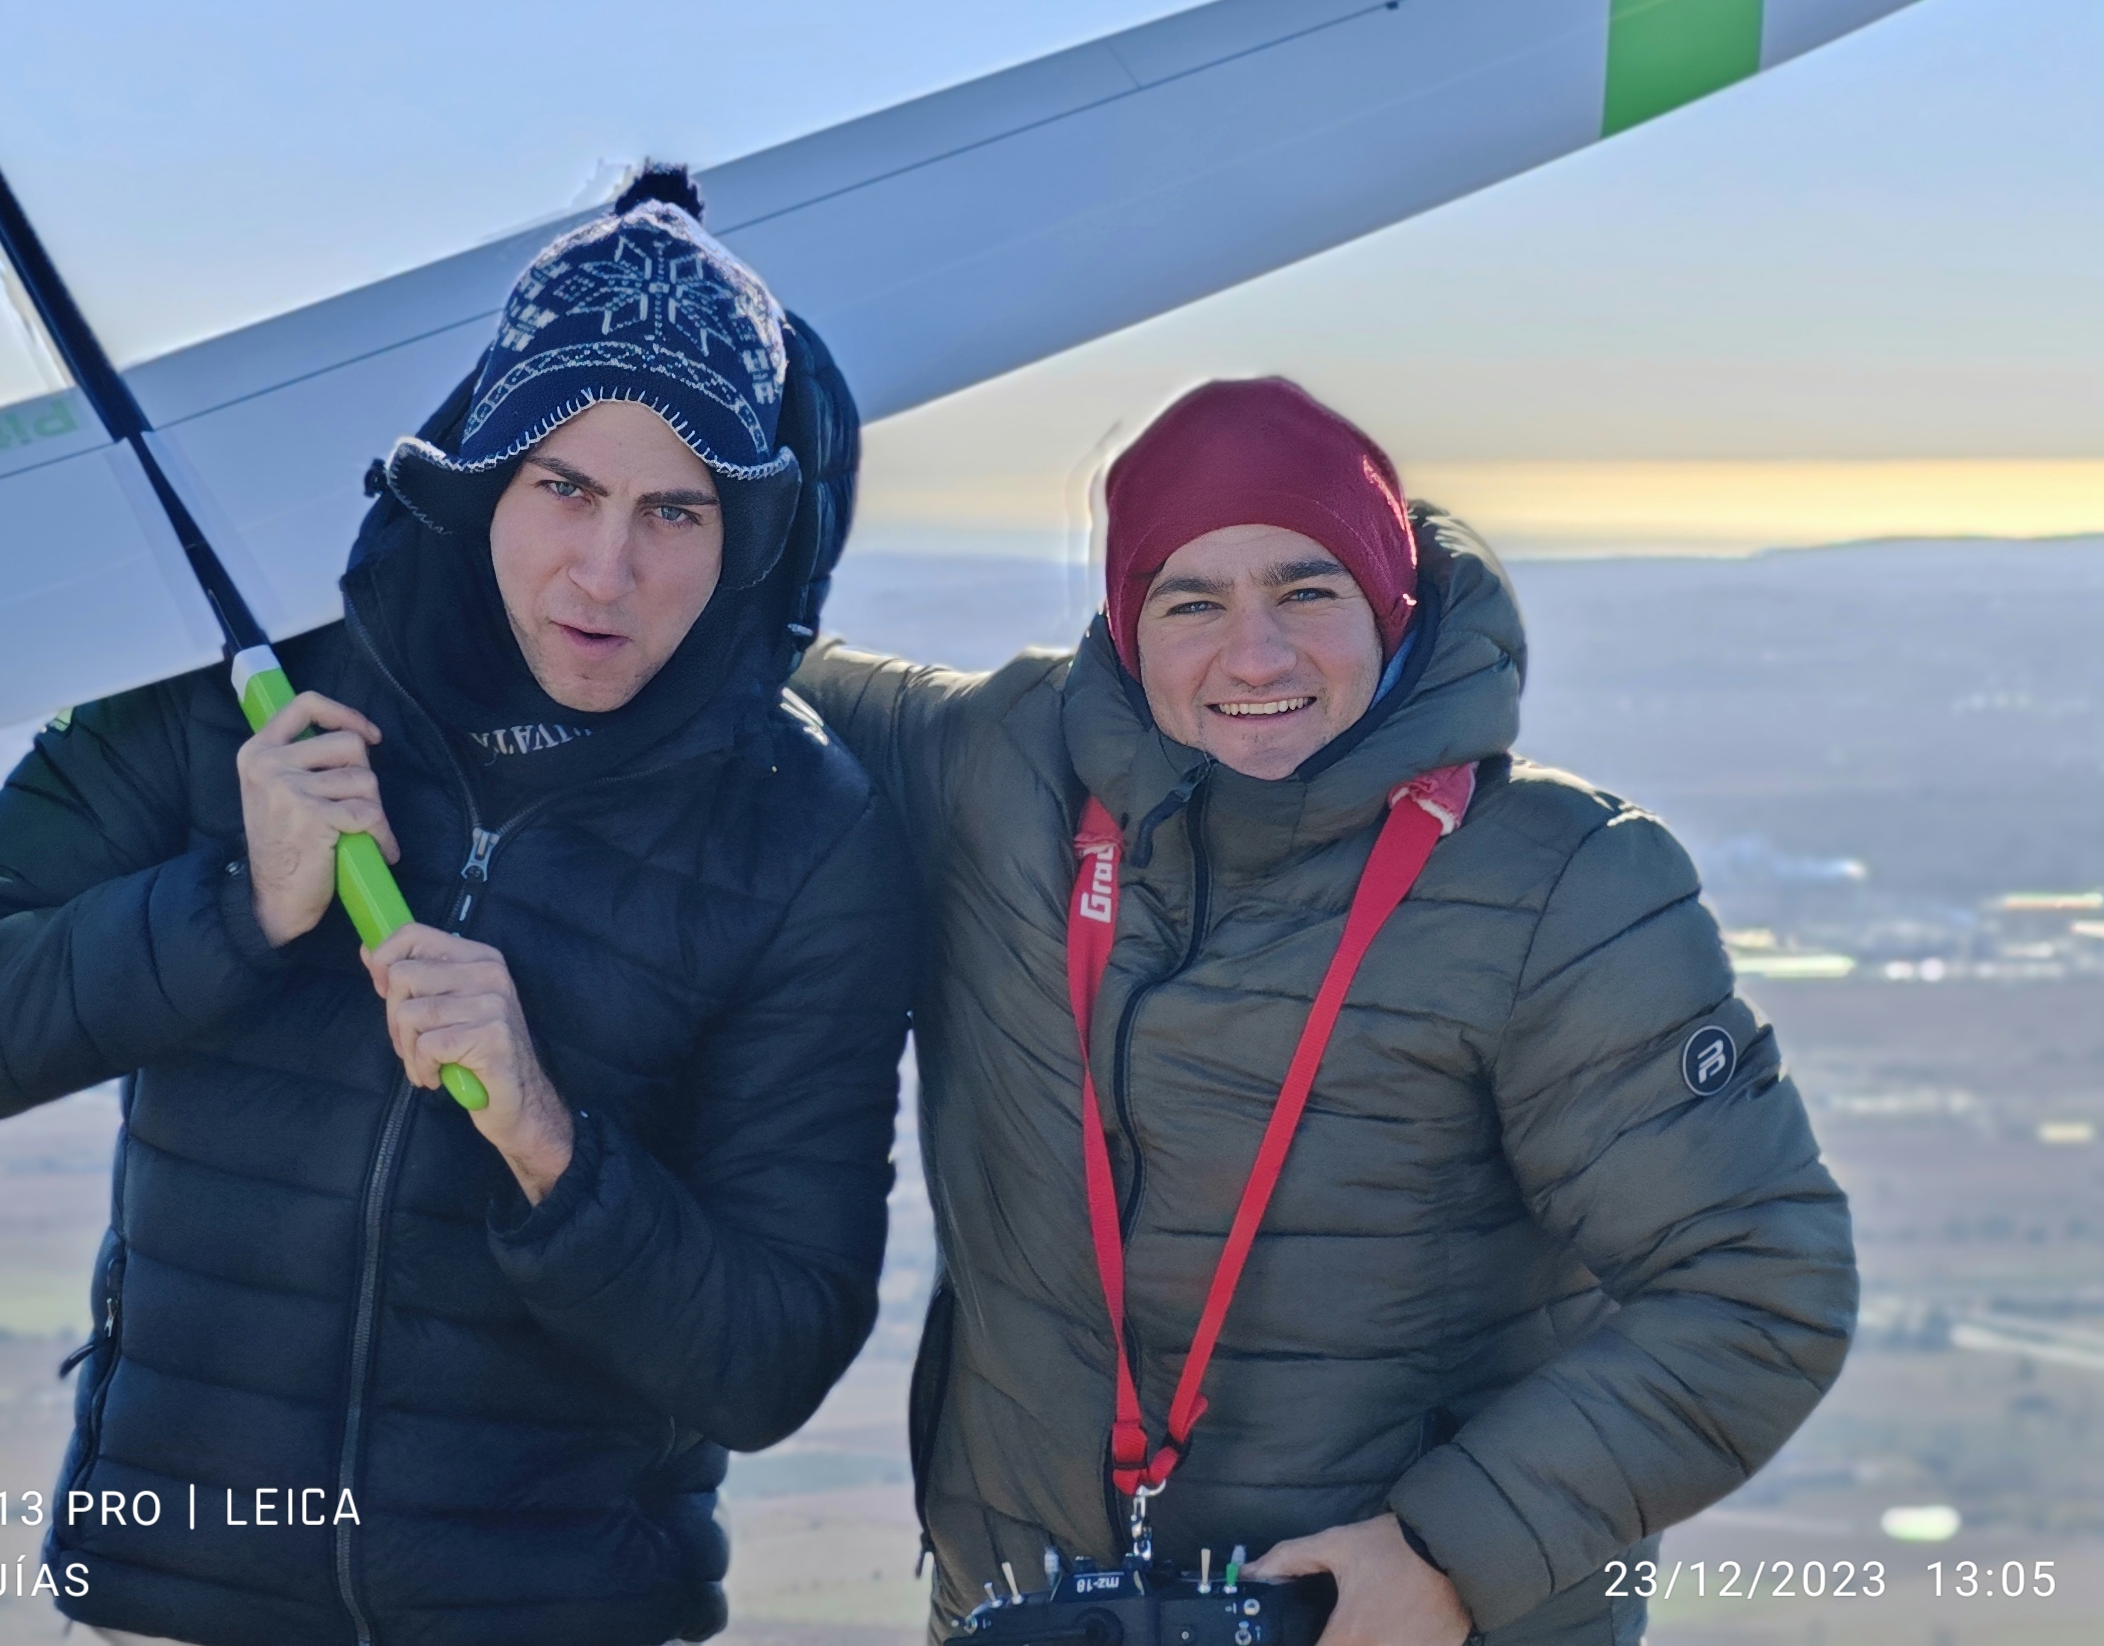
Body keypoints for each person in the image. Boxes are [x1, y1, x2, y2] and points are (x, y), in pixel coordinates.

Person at [0, 170, 914, 1646]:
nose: (605, 570)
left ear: (744, 532)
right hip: (185, 1600)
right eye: (564, 488)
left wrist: (546, 1139)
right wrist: (239, 906)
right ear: (483, 477)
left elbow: (768, 1361)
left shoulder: (798, 833)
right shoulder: (245, 686)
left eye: (674, 510)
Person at [796, 378, 1857, 1646]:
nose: (1254, 656)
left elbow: (1758, 1283)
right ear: (1126, 626)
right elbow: (709, 652)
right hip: (1025, 1612)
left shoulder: (1557, 883)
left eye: (1306, 592)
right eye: (1192, 602)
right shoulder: (997, 773)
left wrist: (1447, 1556)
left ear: (1387, 601)